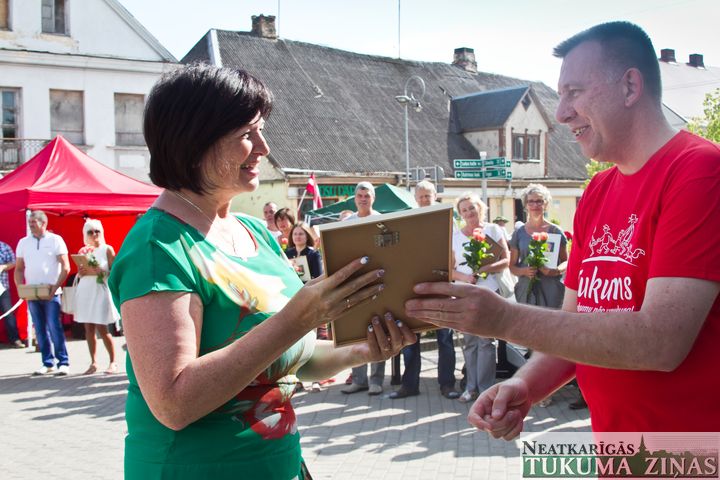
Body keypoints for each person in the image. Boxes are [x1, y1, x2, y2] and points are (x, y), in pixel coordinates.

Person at [405, 21, 720, 435]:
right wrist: (524, 385)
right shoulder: (598, 190)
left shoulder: (700, 171)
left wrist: (504, 319)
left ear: (630, 86)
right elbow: (576, 326)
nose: (561, 112)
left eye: (574, 91)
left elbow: (661, 341)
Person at [108, 64, 416, 479]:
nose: (263, 148)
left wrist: (364, 351)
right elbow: (173, 404)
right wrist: (297, 319)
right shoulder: (158, 247)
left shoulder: (255, 232)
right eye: (246, 134)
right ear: (194, 140)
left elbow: (294, 359)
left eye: (261, 131)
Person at [389, 180, 460, 400]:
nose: (424, 200)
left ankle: (447, 384)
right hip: (414, 286)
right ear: (415, 198)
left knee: (445, 339)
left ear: (435, 196)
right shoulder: (409, 219)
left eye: (427, 196)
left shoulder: (447, 219)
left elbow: (454, 254)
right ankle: (409, 385)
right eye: (420, 196)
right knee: (411, 339)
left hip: (441, 285)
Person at [451, 193, 510, 403]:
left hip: (489, 293)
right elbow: (449, 269)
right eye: (464, 210)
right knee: (469, 342)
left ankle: (486, 390)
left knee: (486, 342)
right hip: (465, 293)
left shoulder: (493, 230)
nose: (469, 213)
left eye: (471, 208)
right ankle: (470, 387)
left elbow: (506, 260)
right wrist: (465, 277)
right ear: (460, 214)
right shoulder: (455, 237)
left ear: (480, 208)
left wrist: (485, 269)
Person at [341, 181, 386, 396]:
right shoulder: (348, 222)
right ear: (355, 198)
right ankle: (359, 380)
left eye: (367, 195)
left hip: (376, 280)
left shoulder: (381, 221)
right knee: (357, 332)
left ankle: (376, 380)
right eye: (359, 195)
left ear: (373, 198)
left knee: (378, 331)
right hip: (355, 282)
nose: (363, 199)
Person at [14, 210, 70, 375]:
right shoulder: (23, 242)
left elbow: (65, 266)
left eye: (34, 222)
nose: (31, 226)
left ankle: (63, 362)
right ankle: (47, 362)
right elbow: (19, 268)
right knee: (39, 328)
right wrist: (20, 287)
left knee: (54, 326)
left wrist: (55, 286)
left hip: (51, 291)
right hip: (32, 292)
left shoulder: (55, 240)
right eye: (30, 223)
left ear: (44, 223)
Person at [74, 219, 119, 375]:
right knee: (89, 328)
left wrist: (102, 272)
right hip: (86, 290)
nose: (94, 234)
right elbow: (80, 272)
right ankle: (93, 362)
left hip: (100, 290)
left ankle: (113, 362)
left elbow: (115, 272)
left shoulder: (107, 249)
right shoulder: (83, 251)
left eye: (97, 231)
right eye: (90, 232)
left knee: (102, 327)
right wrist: (82, 272)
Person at [0, 240, 24, 348]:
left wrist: (3, 267)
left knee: (8, 313)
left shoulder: (4, 247)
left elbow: (14, 262)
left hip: (2, 286)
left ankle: (15, 339)